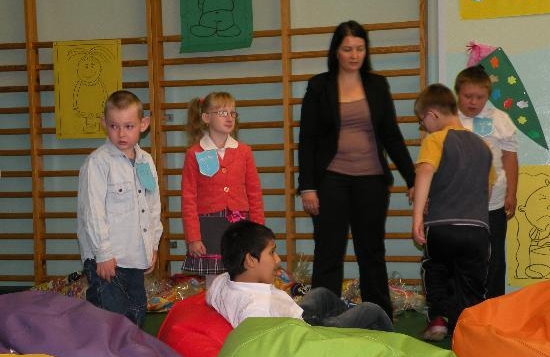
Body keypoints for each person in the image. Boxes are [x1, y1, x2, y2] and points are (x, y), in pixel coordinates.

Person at [298, 20, 415, 319]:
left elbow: (391, 136)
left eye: (360, 49)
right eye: (348, 49)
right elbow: (307, 139)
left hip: (371, 181)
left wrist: (412, 179)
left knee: (371, 253)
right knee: (328, 252)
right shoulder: (318, 86)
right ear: (336, 52)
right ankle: (321, 317)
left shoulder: (377, 85)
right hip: (330, 180)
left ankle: (379, 316)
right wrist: (307, 186)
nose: (354, 55)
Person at [412, 84, 493, 341]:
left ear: (433, 114)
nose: (424, 127)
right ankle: (465, 330)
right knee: (471, 281)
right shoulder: (483, 146)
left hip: (442, 225)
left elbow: (425, 172)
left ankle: (437, 319)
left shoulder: (435, 140)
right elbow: (488, 188)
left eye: (422, 121)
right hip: (477, 229)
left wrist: (418, 216)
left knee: (435, 269)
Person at [206, 220, 394, 332]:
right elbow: (265, 349)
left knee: (321, 294)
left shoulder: (223, 281)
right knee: (372, 310)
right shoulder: (256, 309)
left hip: (295, 317)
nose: (278, 259)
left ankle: (352, 329)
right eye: (271, 253)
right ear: (250, 260)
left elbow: (209, 296)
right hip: (308, 335)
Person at [77, 90, 163, 327]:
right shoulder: (97, 163)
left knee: (136, 315)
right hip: (108, 261)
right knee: (110, 322)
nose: (122, 133)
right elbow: (92, 212)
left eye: (129, 126)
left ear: (143, 125)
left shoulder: (146, 161)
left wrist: (153, 245)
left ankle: (131, 350)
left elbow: (153, 206)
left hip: (135, 256)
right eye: (114, 126)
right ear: (104, 124)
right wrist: (103, 254)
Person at [181, 92, 264, 285]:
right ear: (206, 117)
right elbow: (188, 198)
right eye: (222, 113)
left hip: (240, 226)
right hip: (210, 228)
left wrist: (258, 231)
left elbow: (254, 193)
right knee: (215, 282)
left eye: (232, 113)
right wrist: (193, 237)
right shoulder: (195, 153)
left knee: (241, 277)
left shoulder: (244, 151)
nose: (229, 117)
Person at [455, 65, 519, 298]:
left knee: (495, 258)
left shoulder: (499, 119)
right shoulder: (449, 119)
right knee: (461, 257)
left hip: (494, 204)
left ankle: (494, 306)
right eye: (467, 96)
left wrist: (511, 192)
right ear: (458, 93)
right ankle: (462, 308)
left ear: (488, 95)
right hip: (458, 205)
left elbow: (510, 158)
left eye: (480, 97)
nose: (473, 102)